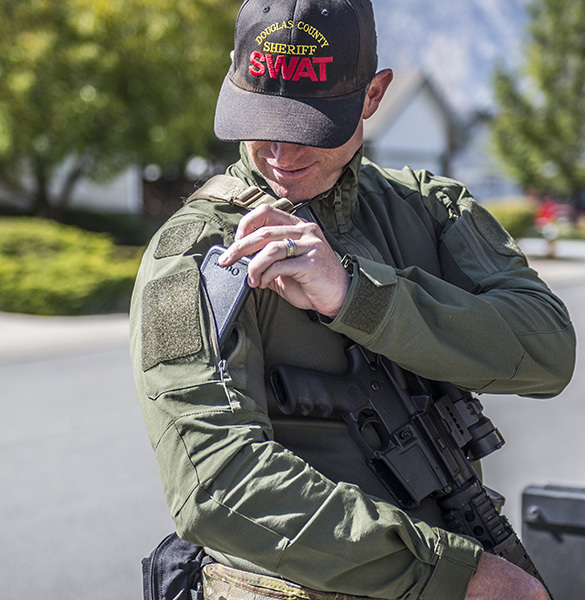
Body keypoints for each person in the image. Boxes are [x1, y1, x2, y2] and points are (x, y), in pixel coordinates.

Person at [129, 1, 576, 599]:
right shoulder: (197, 251)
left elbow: (548, 352)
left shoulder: (430, 209)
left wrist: (357, 296)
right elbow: (216, 488)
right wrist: (451, 575)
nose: (281, 155)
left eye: (310, 127)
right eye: (262, 119)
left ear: (373, 95)